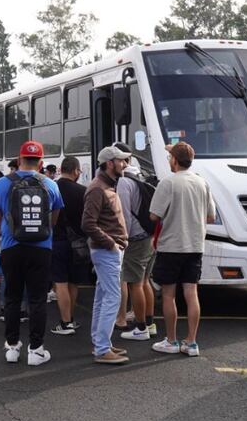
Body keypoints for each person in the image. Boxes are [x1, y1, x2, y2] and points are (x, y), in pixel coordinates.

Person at [0, 140, 63, 366]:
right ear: (40, 163)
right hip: (41, 248)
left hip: (11, 247)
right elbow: (54, 217)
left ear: (19, 159)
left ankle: (12, 347)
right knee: (38, 299)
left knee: (12, 297)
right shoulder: (51, 185)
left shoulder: (2, 183)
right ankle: (36, 350)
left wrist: (3, 234)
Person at [149, 142, 215, 357]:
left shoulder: (168, 183)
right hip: (195, 245)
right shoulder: (202, 183)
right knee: (191, 293)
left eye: (170, 157)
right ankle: (192, 342)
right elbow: (211, 216)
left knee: (169, 295)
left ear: (175, 160)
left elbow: (154, 215)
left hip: (171, 245)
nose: (169, 160)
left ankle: (171, 340)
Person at [82, 146, 131, 365]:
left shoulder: (103, 186)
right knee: (112, 297)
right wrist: (111, 243)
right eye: (121, 161)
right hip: (106, 251)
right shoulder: (98, 188)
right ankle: (102, 348)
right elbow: (87, 224)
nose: (125, 164)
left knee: (103, 297)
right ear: (110, 163)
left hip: (107, 250)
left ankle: (101, 343)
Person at [116, 156, 157, 342]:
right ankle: (150, 323)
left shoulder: (124, 183)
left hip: (137, 240)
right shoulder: (142, 182)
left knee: (135, 284)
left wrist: (123, 239)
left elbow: (123, 213)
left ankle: (140, 328)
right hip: (150, 237)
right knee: (146, 280)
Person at [50, 156, 88, 336]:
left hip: (57, 240)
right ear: (75, 171)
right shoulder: (83, 191)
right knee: (74, 282)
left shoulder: (51, 187)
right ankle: (71, 319)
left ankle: (65, 323)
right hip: (79, 243)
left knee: (60, 282)